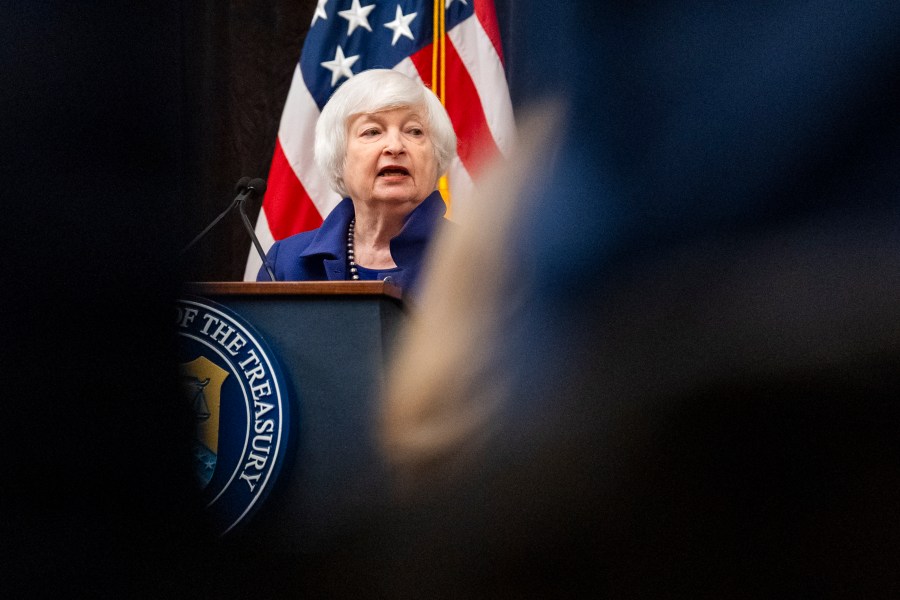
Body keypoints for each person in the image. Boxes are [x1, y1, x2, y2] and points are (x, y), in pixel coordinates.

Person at [257, 69, 456, 295]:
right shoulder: (285, 264)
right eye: (372, 132)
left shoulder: (484, 262)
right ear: (339, 156)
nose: (395, 146)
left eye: (414, 131)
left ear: (437, 155)